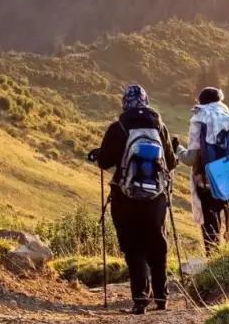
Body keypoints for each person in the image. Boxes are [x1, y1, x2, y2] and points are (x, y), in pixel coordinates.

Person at [88, 84, 177, 315]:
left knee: (133, 246)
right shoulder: (159, 126)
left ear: (124, 102)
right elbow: (171, 161)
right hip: (156, 197)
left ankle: (140, 300)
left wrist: (100, 153)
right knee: (157, 243)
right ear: (145, 101)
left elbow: (105, 162)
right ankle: (162, 297)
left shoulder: (118, 127)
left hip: (124, 196)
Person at [174, 87, 229, 254]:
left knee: (211, 229)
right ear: (220, 101)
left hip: (207, 184)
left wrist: (177, 149)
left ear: (201, 103)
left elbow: (190, 159)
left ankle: (213, 264)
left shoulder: (198, 121)